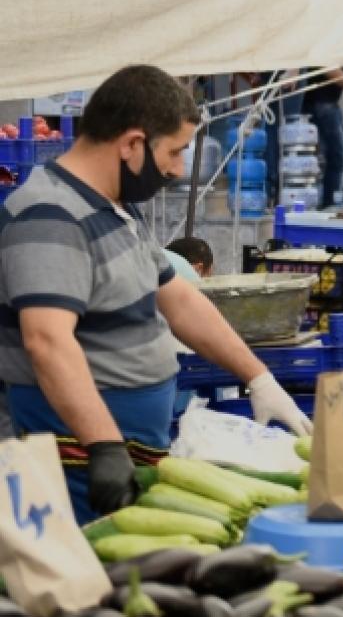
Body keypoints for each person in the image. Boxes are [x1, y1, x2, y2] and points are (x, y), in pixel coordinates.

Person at [0, 65, 313, 524]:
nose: (177, 169)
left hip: (122, 447)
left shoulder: (115, 207)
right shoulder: (50, 215)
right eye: (176, 151)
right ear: (131, 144)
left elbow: (178, 297)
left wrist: (258, 376)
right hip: (78, 457)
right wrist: (103, 444)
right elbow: (47, 342)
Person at [303, 67, 343, 209]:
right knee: (339, 160)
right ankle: (332, 206)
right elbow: (328, 67)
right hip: (320, 101)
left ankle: (341, 205)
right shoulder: (333, 45)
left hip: (329, 103)